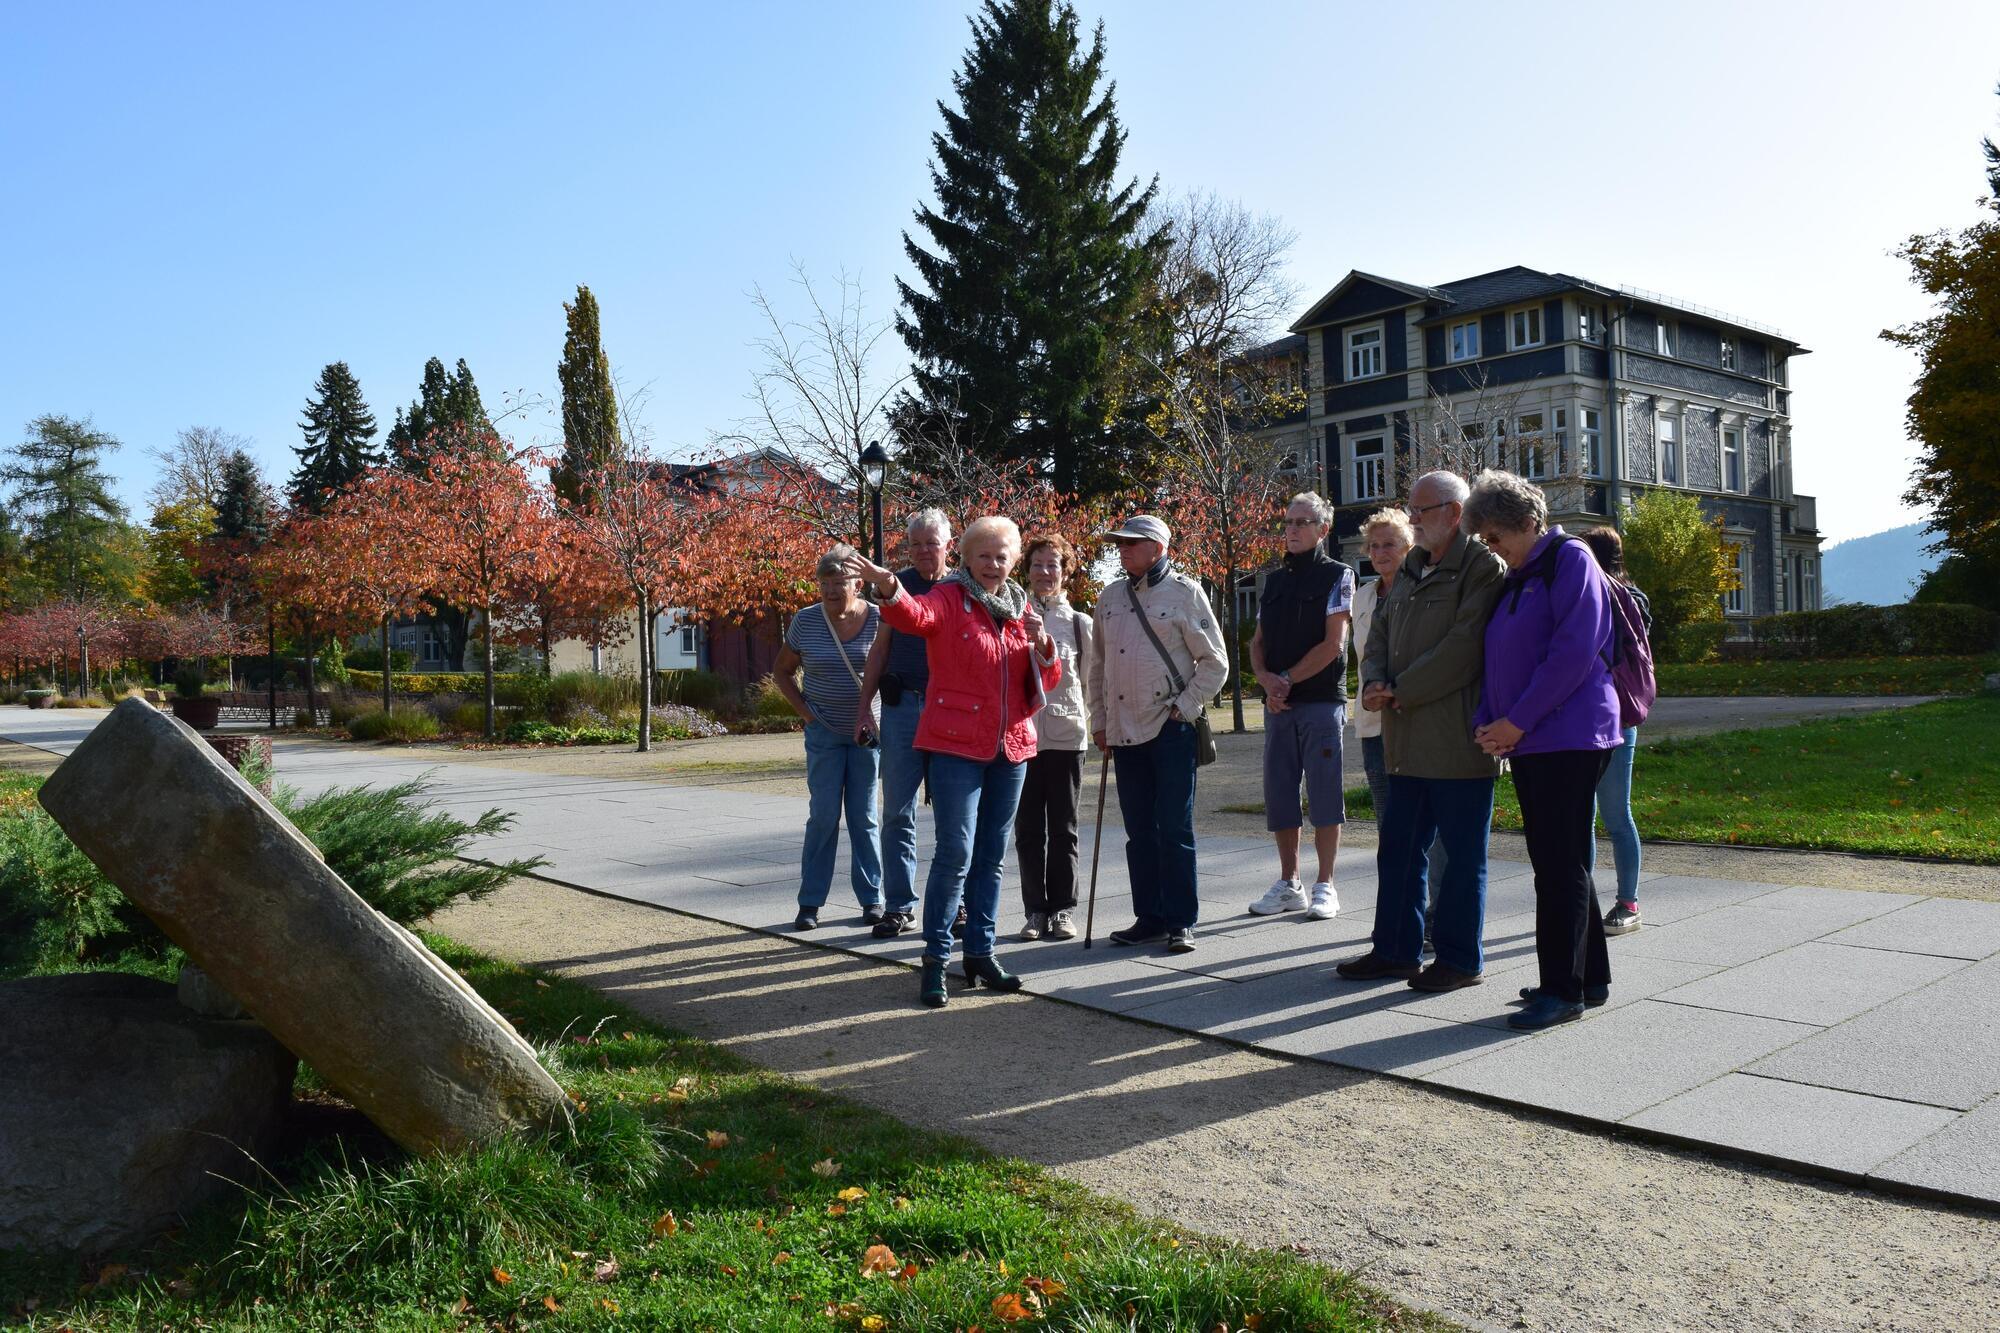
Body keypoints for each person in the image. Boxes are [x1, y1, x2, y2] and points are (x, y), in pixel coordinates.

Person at [845, 517, 1061, 1009]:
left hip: (1010, 748)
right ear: (964, 556)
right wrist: (888, 587)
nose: (993, 564)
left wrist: (1043, 644)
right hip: (956, 744)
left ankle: (980, 952)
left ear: (1014, 560)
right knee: (955, 854)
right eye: (983, 555)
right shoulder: (947, 596)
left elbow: (1043, 680)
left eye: (1002, 556)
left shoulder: (1020, 606)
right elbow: (913, 618)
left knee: (991, 857)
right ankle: (936, 958)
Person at [1463, 471, 1625, 1031]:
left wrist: (1517, 722)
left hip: (1569, 735)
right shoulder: (1520, 575)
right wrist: (1491, 720)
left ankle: (1563, 990)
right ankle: (1588, 977)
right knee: (1563, 863)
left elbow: (1573, 651)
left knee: (1557, 868)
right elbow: (1499, 655)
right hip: (1533, 738)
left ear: (1527, 522)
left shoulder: (1570, 559)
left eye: (1495, 536)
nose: (1492, 548)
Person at [1336, 471, 1506, 993]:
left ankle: (1459, 959)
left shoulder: (1483, 568)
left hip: (1456, 741)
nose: (1412, 520)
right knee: (1400, 851)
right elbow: (1379, 631)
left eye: (1421, 511)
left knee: (1459, 860)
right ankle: (1394, 951)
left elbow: (1465, 647)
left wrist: (1400, 689)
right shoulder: (1411, 566)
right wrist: (1373, 682)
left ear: (1454, 513)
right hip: (1403, 740)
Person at [1085, 514, 1229, 954]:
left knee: (1174, 828)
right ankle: (1148, 917)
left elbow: (1216, 663)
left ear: (1158, 547)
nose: (1122, 549)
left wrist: (1183, 710)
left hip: (1170, 730)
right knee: (1139, 832)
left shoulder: (1185, 593)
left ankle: (1182, 921)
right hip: (1123, 731)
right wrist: (1100, 720)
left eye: (1132, 543)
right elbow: (1097, 666)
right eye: (1120, 543)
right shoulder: (1108, 598)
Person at [1247, 492, 1354, 920]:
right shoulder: (1273, 581)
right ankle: (1289, 882)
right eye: (1288, 522)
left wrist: (1286, 680)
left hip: (1321, 702)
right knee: (1279, 794)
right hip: (1279, 707)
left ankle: (1325, 883)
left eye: (1302, 522)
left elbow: (1335, 644)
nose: (1291, 530)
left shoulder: (1339, 575)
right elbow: (1258, 644)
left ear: (1323, 529)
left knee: (1325, 793)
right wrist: (1266, 681)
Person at [771, 544, 884, 932]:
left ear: (858, 584)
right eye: (825, 585)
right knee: (822, 817)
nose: (832, 592)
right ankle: (810, 903)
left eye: (840, 583)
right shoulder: (805, 621)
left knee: (864, 818)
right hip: (824, 734)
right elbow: (782, 672)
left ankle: (873, 900)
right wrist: (808, 716)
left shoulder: (879, 619)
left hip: (867, 735)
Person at [1350, 508, 1448, 946]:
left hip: (1417, 721)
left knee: (1432, 829)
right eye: (1374, 545)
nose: (1380, 552)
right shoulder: (1364, 597)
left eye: (1390, 543)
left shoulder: (1422, 589)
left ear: (1411, 546)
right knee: (1391, 828)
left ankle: (1437, 915)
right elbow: (1363, 656)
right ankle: (1400, 920)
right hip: (1374, 725)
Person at [856, 509, 954, 939]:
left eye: (931, 543)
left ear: (948, 545)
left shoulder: (963, 585)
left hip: (951, 712)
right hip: (901, 710)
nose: (923, 552)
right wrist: (865, 706)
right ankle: (899, 906)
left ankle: (959, 903)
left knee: (956, 815)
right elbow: (879, 648)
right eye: (915, 544)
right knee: (897, 812)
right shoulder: (896, 586)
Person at [1015, 534, 1094, 942]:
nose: (1045, 573)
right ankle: (1035, 911)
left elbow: (1091, 683)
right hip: (1022, 738)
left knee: (1064, 827)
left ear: (1066, 572)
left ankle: (1064, 908)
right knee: (1028, 830)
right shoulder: (1011, 615)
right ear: (1025, 570)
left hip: (1066, 736)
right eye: (1038, 565)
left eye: (1053, 565)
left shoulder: (1080, 624)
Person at [1578, 525, 1653, 936]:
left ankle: (1629, 902)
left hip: (1617, 717)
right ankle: (1584, 900)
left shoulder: (1624, 598)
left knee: (1614, 814)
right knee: (1587, 816)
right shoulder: (1621, 593)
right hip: (1590, 718)